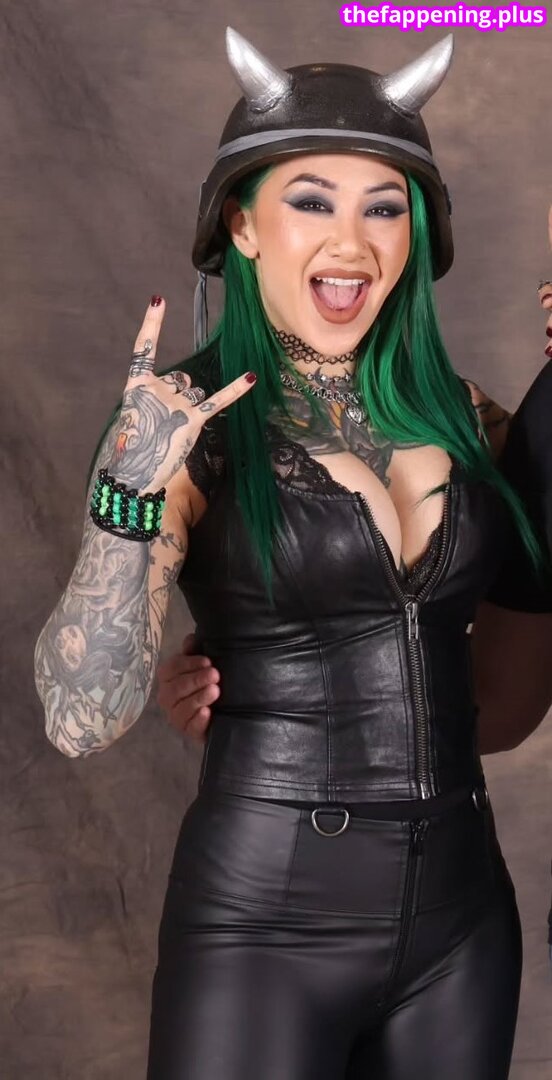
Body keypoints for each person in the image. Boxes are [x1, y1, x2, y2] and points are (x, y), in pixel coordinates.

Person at [34, 27, 552, 1080]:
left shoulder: (473, 423)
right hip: (264, 922)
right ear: (243, 223)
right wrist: (129, 493)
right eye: (312, 201)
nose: (350, 242)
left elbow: (502, 712)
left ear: (417, 230)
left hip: (462, 922)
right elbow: (80, 720)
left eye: (383, 207)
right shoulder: (184, 426)